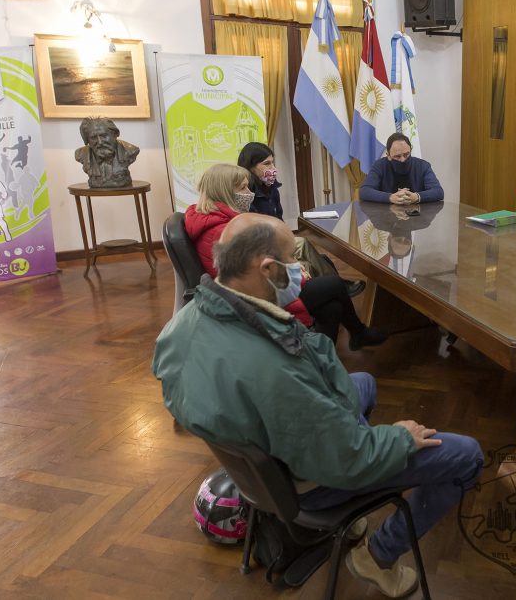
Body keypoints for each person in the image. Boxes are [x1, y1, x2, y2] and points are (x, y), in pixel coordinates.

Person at [153, 214, 483, 598]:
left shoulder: (184, 323)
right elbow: (346, 456)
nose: (300, 269)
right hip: (308, 478)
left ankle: (354, 513)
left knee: (365, 383)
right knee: (467, 456)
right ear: (267, 268)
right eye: (294, 260)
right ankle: (377, 555)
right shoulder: (275, 369)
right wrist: (399, 439)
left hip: (262, 457)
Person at [185, 164, 384, 350]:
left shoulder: (210, 220)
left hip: (253, 296)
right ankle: (358, 334)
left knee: (332, 307)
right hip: (258, 303)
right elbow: (261, 280)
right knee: (333, 284)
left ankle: (327, 356)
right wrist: (297, 273)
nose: (249, 193)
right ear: (227, 192)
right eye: (244, 188)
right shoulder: (225, 230)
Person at [238, 141, 364, 297]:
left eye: (273, 162)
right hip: (264, 246)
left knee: (303, 244)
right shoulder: (246, 196)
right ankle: (335, 287)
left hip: (276, 239)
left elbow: (279, 220)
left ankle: (336, 284)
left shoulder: (272, 189)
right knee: (306, 256)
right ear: (250, 168)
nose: (272, 168)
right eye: (266, 164)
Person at [359, 133, 443, 204]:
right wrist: (390, 197)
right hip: (386, 219)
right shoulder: (379, 165)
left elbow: (438, 191)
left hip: (417, 217)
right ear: (388, 155)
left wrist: (416, 197)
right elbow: (365, 191)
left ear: (411, 150)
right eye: (397, 156)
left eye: (406, 154)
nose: (403, 160)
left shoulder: (423, 165)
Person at [74, 117, 140, 188]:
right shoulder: (80, 154)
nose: (100, 142)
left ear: (115, 134)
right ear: (87, 141)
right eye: (93, 138)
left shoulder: (130, 151)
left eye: (104, 136)